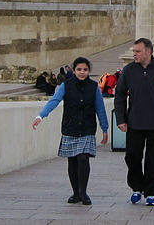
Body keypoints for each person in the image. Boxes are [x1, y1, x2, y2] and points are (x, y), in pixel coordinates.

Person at [31, 57, 109, 205]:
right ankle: (76, 193)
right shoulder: (65, 86)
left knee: (83, 158)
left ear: (88, 71)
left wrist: (104, 128)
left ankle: (83, 192)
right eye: (79, 69)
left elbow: (100, 109)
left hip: (86, 127)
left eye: (85, 70)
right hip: (70, 127)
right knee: (72, 161)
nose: (82, 72)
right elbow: (54, 101)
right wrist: (40, 116)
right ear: (74, 71)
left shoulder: (94, 88)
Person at [114, 38, 154, 207]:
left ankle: (151, 192)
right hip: (134, 123)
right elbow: (120, 96)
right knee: (132, 157)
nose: (134, 54)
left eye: (138, 51)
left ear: (148, 52)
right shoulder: (128, 71)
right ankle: (137, 187)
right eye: (134, 51)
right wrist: (120, 120)